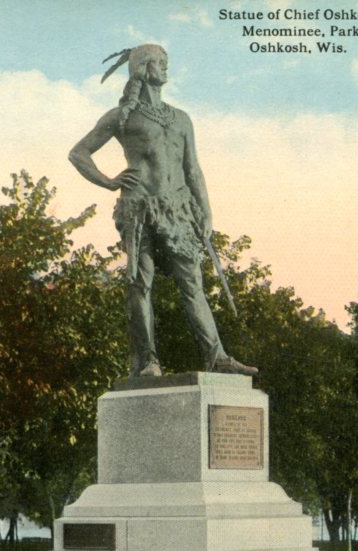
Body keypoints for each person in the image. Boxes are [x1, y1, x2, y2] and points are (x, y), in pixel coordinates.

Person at [69, 44, 257, 378]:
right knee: (141, 283)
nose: (165, 68)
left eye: (166, 62)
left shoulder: (182, 118)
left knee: (193, 284)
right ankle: (147, 361)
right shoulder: (122, 117)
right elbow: (79, 153)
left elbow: (193, 169)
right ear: (141, 68)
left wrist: (206, 212)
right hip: (139, 208)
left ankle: (217, 356)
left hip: (179, 211)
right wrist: (108, 181)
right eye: (158, 62)